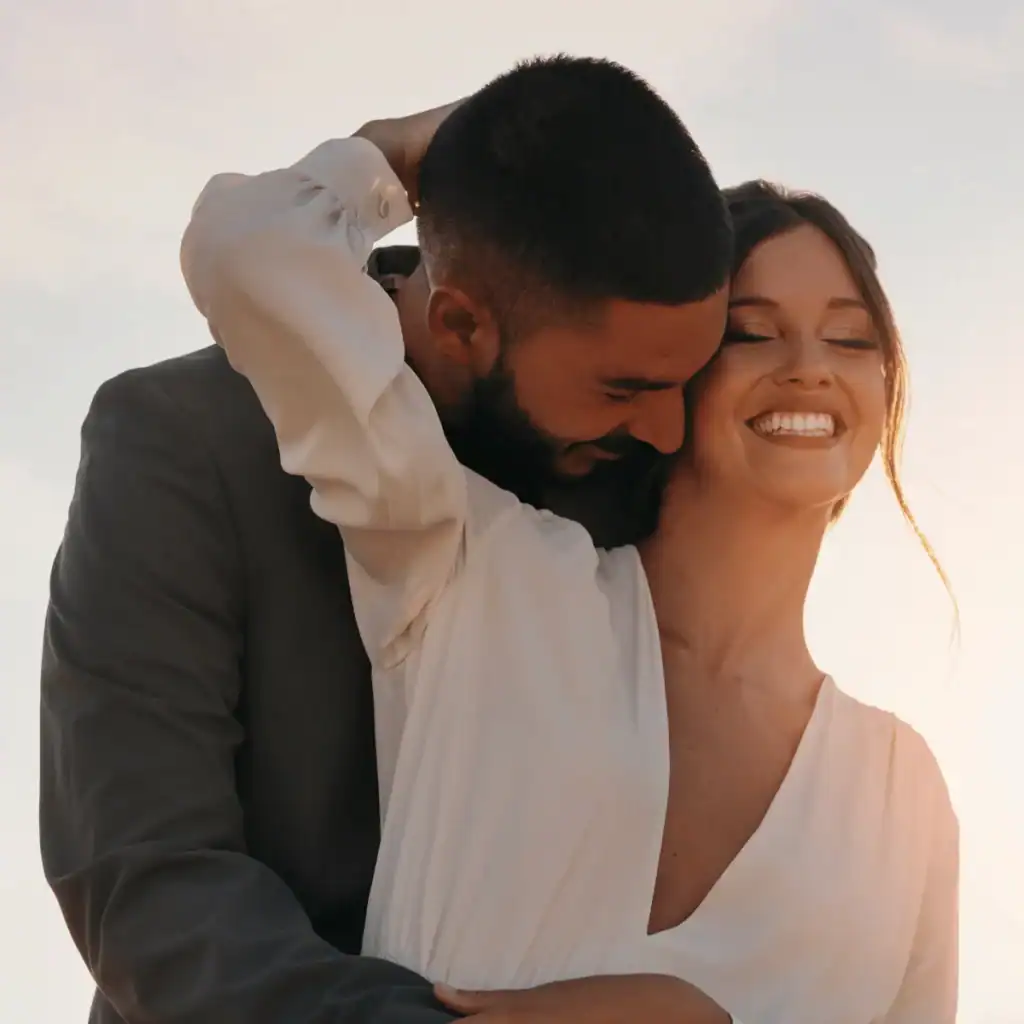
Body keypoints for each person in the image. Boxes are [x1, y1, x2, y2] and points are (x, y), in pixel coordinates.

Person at [181, 90, 959, 1022]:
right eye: (752, 333)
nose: (810, 364)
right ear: (673, 364)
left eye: (851, 336)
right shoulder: (480, 568)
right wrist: (403, 155)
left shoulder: (900, 795)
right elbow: (248, 252)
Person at [39, 57, 732, 1024]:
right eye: (624, 390)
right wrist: (385, 157)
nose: (669, 431)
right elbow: (148, 878)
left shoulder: (633, 473)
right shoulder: (180, 441)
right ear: (460, 323)